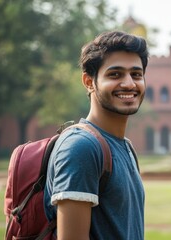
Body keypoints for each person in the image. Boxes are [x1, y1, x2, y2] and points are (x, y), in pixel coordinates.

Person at [44, 31, 149, 239]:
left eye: (136, 74)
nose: (129, 84)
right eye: (115, 74)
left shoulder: (124, 146)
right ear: (89, 81)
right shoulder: (81, 147)